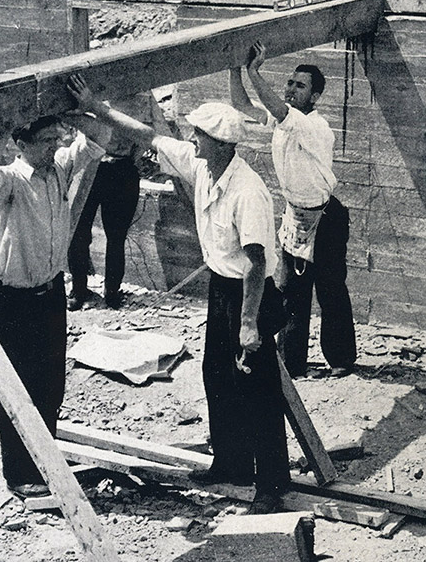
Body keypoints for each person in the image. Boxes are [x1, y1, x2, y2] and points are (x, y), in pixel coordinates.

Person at [67, 73, 290, 512]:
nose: (193, 140)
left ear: (223, 144)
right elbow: (148, 135)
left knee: (258, 389)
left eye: (201, 136)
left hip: (252, 294)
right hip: (222, 289)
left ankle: (272, 484)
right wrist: (96, 105)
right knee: (217, 375)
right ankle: (232, 463)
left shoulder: (248, 192)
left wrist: (248, 323)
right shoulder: (201, 163)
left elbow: (258, 264)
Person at [0, 113, 107, 499]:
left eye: (56, 139)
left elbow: (101, 134)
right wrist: (1, 126)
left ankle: (44, 461)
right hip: (16, 300)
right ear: (22, 144)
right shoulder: (11, 180)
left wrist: (71, 111)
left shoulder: (60, 170)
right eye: (46, 141)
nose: (55, 146)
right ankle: (19, 474)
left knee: (51, 386)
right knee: (18, 388)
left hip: (51, 295)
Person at [230, 44, 356, 380]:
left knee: (330, 292)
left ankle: (341, 359)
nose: (290, 89)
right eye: (289, 83)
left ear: (315, 97)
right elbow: (242, 105)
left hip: (326, 218)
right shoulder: (282, 120)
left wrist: (254, 71)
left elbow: (280, 111)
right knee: (289, 293)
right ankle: (291, 363)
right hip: (295, 216)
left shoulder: (314, 126)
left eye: (300, 86)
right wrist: (234, 69)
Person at [67, 125, 141, 310]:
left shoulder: (140, 98)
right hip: (88, 167)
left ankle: (112, 292)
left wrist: (129, 158)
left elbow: (146, 134)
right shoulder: (85, 97)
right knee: (78, 233)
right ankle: (79, 290)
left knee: (117, 238)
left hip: (122, 169)